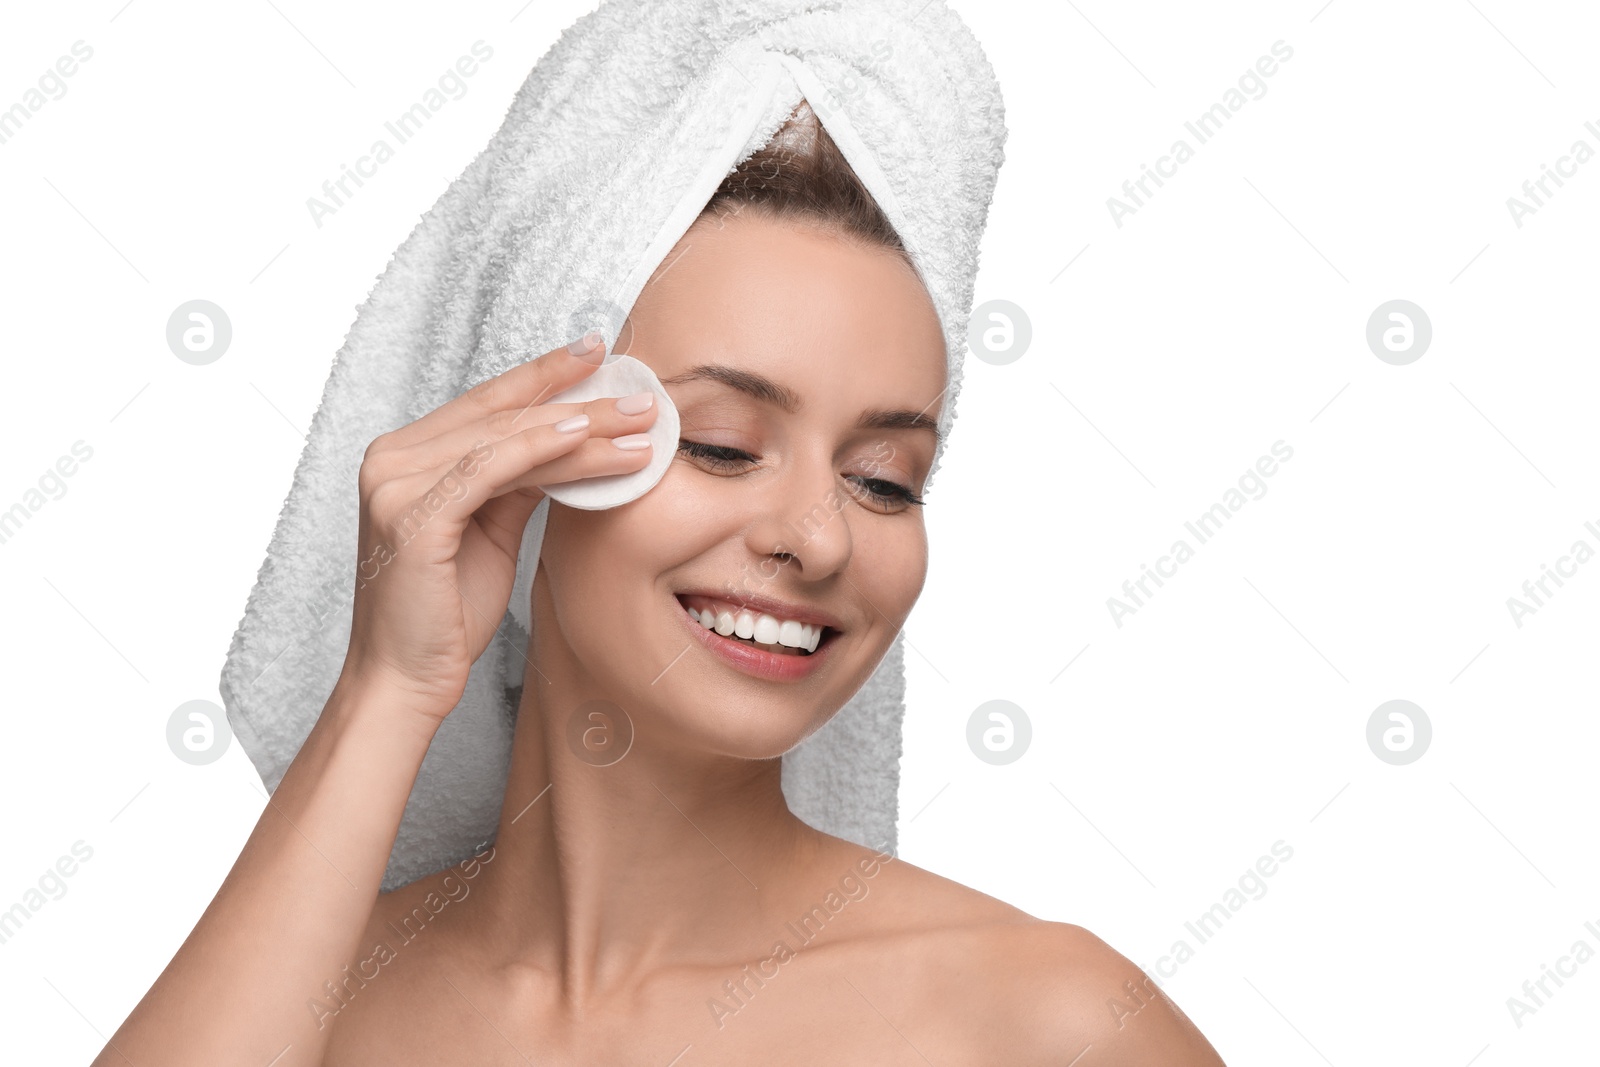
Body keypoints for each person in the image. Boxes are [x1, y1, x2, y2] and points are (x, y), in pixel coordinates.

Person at [96, 102, 1226, 1066]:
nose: (817, 538)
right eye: (726, 445)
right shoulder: (306, 1013)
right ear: (529, 460)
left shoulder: (1043, 1025)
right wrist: (387, 687)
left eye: (884, 480)